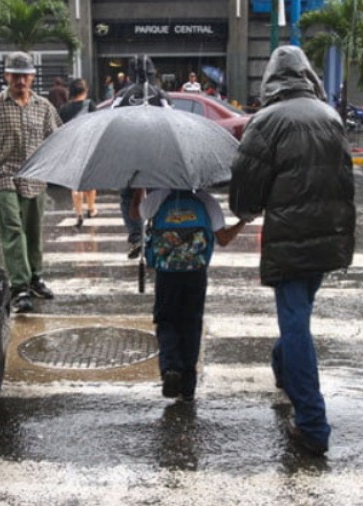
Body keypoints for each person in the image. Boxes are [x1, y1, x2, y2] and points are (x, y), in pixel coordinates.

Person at [229, 45, 355, 456]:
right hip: (329, 236)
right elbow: (346, 180)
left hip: (289, 238)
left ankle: (313, 425)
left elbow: (245, 193)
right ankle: (284, 366)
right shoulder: (330, 117)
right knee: (298, 314)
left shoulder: (266, 122)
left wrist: (245, 213)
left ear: (271, 79)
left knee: (296, 324)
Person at [0, 51, 61, 314]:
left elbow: (56, 140)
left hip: (35, 178)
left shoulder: (44, 107)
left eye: (24, 76)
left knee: (33, 231)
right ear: (6, 76)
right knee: (12, 230)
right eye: (15, 76)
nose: (20, 81)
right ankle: (19, 287)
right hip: (5, 176)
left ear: (32, 77)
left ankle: (34, 277)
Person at [140, 189, 250, 401]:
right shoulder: (205, 200)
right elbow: (224, 239)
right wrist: (242, 221)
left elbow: (138, 214)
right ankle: (188, 386)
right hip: (196, 272)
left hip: (167, 272)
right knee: (191, 323)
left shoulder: (158, 198)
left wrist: (139, 190)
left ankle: (171, 367)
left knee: (166, 320)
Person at [115, 54, 173, 259]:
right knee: (159, 197)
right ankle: (158, 232)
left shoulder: (122, 96)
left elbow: (112, 124)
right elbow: (172, 124)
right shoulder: (162, 96)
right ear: (152, 74)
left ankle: (134, 236)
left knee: (127, 196)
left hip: (129, 154)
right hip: (158, 155)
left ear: (130, 76)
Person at [58, 78, 99, 228]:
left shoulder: (63, 108)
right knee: (90, 179)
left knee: (75, 183)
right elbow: (97, 125)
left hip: (71, 147)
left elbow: (60, 128)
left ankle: (79, 214)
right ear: (85, 91)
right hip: (87, 146)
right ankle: (91, 208)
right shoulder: (90, 105)